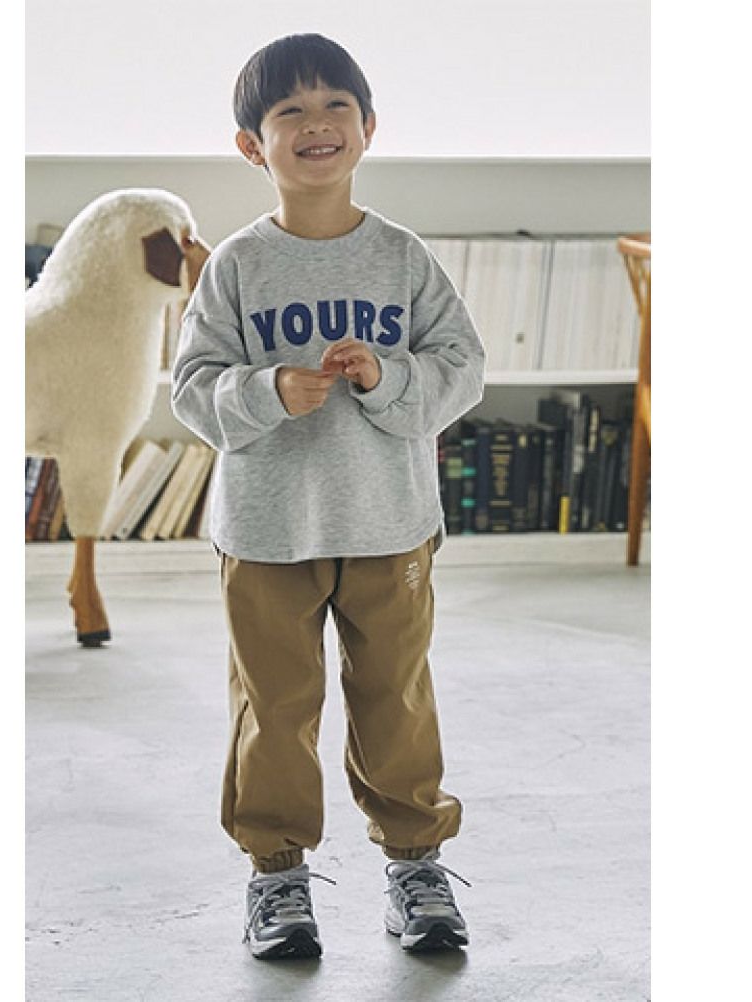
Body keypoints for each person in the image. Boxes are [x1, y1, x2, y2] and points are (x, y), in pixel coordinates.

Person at [171, 32, 486, 960]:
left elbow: (462, 366)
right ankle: (276, 876)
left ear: (368, 127)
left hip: (390, 524)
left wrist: (387, 377)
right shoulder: (235, 266)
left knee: (397, 698)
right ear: (252, 145)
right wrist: (267, 390)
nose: (317, 124)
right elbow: (191, 388)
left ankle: (416, 865)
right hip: (267, 533)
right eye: (290, 112)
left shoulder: (402, 257)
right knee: (273, 707)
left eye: (335, 106)